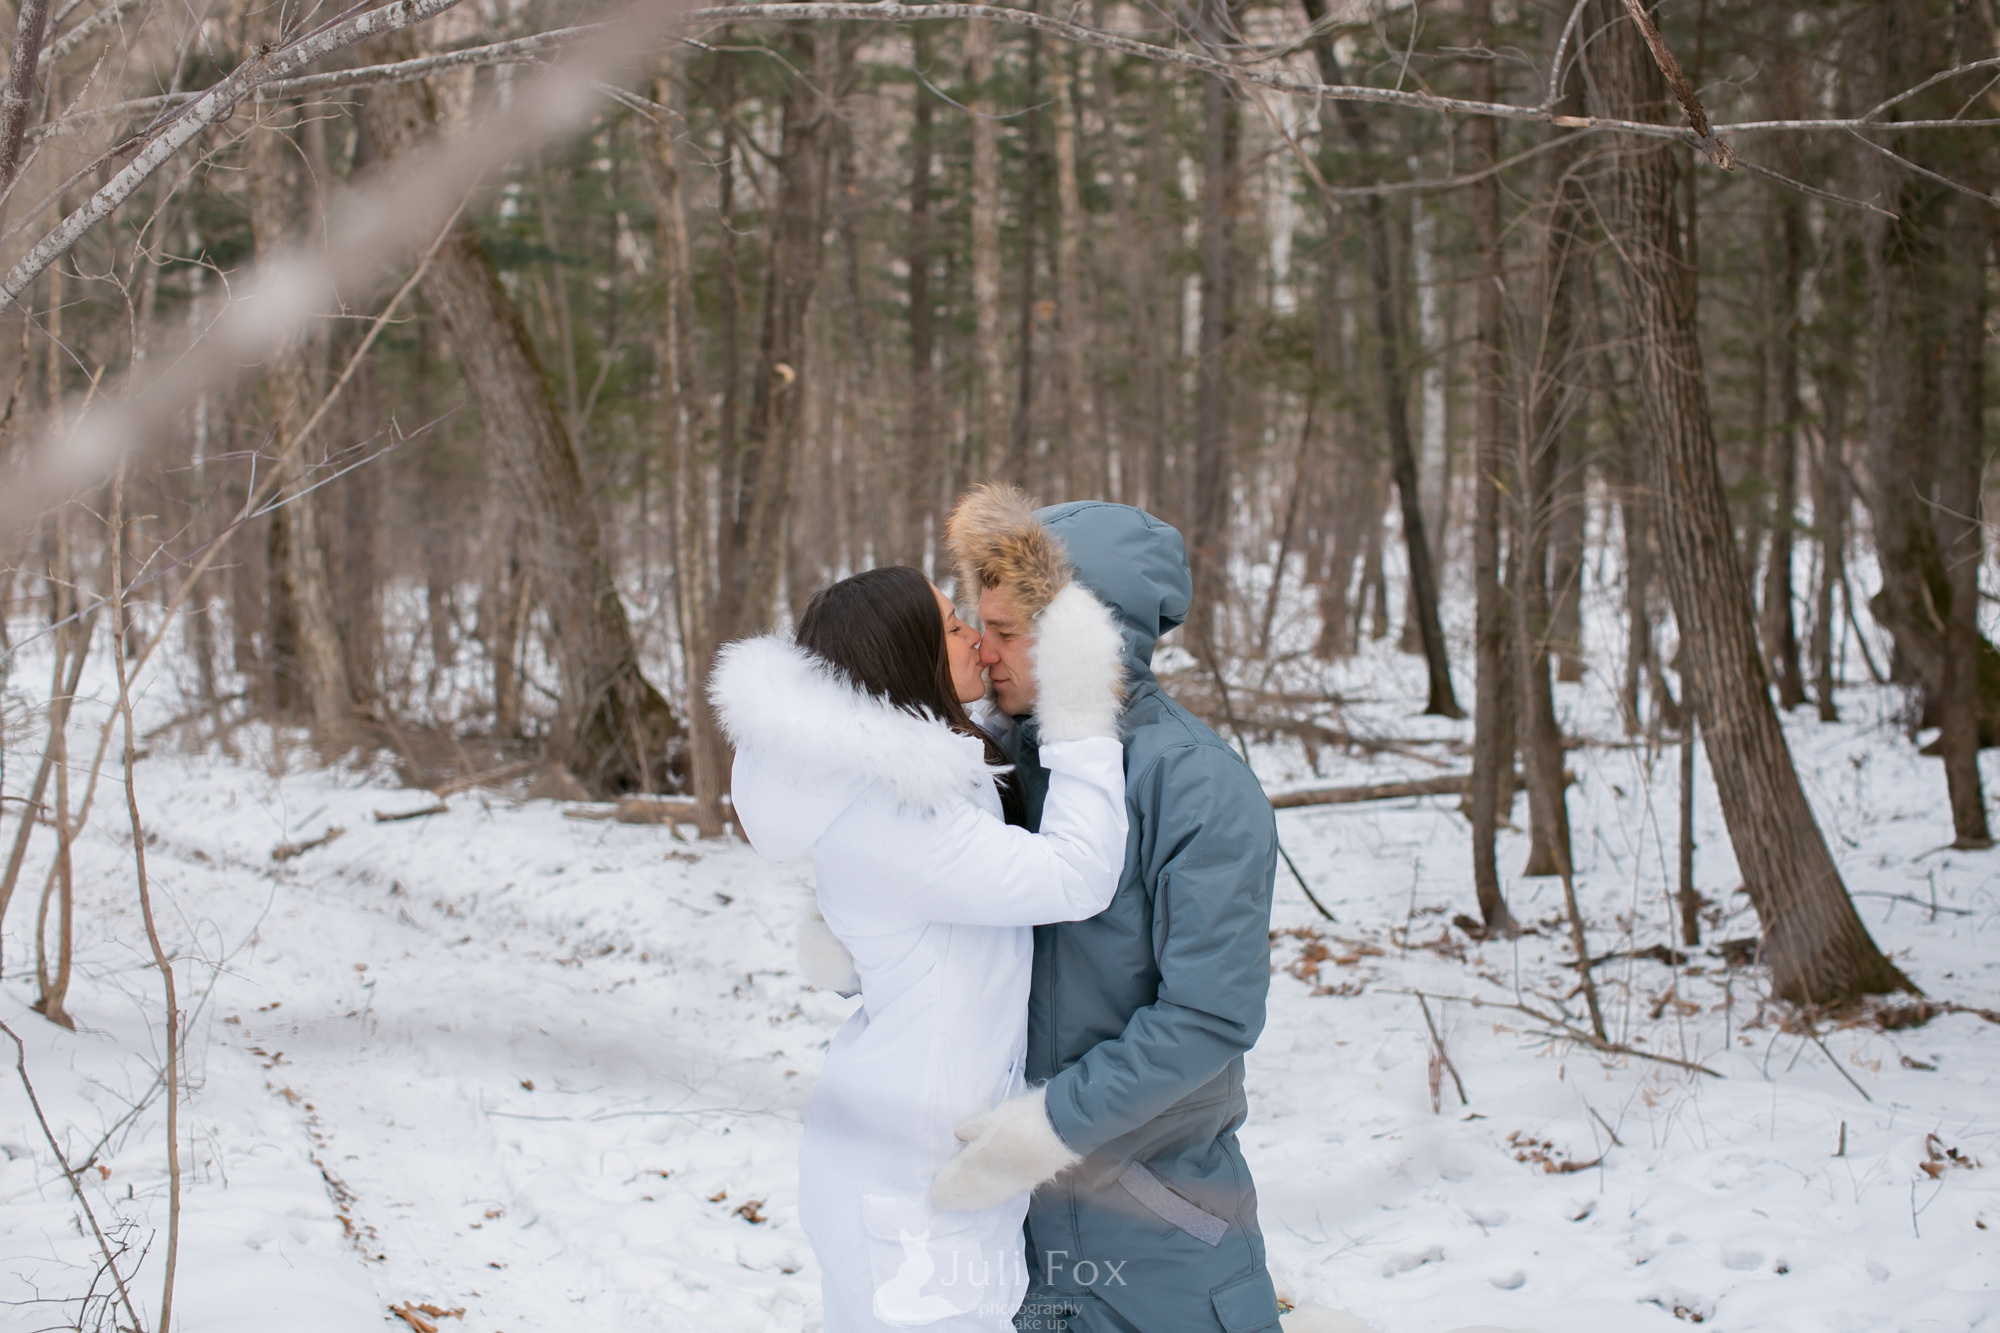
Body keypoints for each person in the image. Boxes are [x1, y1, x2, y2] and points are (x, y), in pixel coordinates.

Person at [711, 562, 1129, 1333]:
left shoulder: (905, 778)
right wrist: (1079, 713)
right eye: (952, 625)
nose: (974, 633)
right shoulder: (898, 814)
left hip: (919, 1145)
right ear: (912, 660)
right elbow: (1075, 876)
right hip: (906, 1170)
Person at [934, 487, 1285, 1333]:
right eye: (980, 625)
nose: (985, 651)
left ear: (1085, 641)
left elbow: (1210, 1014)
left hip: (1158, 1241)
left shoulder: (1198, 786)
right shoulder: (998, 766)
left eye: (1010, 632)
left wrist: (1050, 1124)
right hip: (1005, 1249)